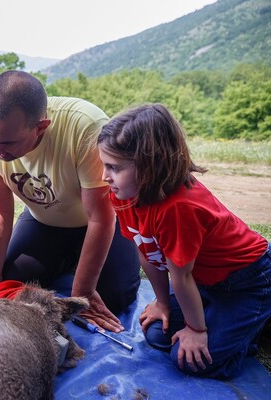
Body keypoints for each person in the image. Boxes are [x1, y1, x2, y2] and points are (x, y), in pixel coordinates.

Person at [97, 103, 271, 379]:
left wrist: (197, 331)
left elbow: (182, 275)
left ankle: (256, 319)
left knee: (192, 360)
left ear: (148, 166)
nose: (105, 176)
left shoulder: (178, 208)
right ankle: (226, 318)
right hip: (205, 283)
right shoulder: (124, 195)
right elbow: (146, 252)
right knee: (156, 333)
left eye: (113, 167)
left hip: (247, 280)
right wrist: (163, 303)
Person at [0, 70, 140, 333]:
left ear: (41, 127)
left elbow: (100, 216)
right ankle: (66, 259)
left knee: (112, 298)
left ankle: (74, 263)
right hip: (44, 220)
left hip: (99, 222)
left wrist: (83, 291)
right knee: (9, 284)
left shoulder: (85, 126)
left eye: (6, 142)